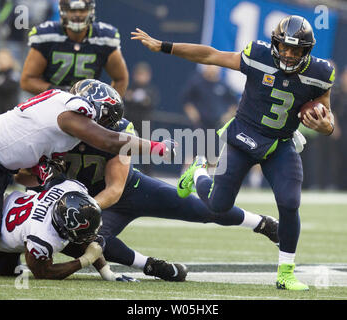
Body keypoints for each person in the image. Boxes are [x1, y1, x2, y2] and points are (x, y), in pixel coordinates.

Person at [131, 15, 336, 291]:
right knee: (218, 206)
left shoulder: (320, 73)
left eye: (295, 50)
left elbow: (327, 117)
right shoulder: (258, 55)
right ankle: (199, 172)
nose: (288, 54)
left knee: (290, 202)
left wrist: (326, 125)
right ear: (275, 44)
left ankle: (286, 272)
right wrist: (164, 46)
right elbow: (211, 55)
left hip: (279, 143)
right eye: (284, 47)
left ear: (306, 51)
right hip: (243, 136)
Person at [53, 84, 279, 282]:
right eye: (101, 119)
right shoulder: (55, 128)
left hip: (130, 190)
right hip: (87, 200)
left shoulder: (120, 129)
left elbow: (115, 188)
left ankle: (262, 223)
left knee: (198, 208)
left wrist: (85, 209)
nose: (105, 125)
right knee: (80, 238)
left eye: (108, 120)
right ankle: (152, 266)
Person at [0, 79, 176, 239]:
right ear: (94, 105)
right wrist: (159, 148)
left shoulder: (57, 105)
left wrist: (44, 173)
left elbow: (22, 176)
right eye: (106, 119)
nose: (106, 125)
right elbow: (109, 141)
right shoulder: (72, 111)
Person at [0, 178, 122, 281]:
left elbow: (81, 231)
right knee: (7, 273)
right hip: (3, 233)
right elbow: (43, 273)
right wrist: (85, 260)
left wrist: (106, 272)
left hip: (9, 205)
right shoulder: (42, 237)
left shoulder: (71, 188)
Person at [20, 0, 129, 97]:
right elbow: (27, 81)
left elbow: (120, 79)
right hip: (51, 101)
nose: (77, 15)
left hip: (88, 105)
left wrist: (108, 105)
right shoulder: (46, 36)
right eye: (72, 10)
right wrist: (60, 92)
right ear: (63, 12)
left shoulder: (105, 37)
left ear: (90, 11)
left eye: (82, 10)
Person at [124, 62, 160, 175]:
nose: (141, 77)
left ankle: (148, 174)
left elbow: (152, 102)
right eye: (139, 74)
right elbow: (124, 101)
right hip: (130, 122)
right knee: (126, 147)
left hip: (145, 123)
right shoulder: (129, 88)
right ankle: (125, 171)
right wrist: (129, 97)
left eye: (143, 75)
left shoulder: (151, 89)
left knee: (147, 149)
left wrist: (144, 100)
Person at [0, 48, 20, 114]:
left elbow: (8, 87)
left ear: (10, 60)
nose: (2, 61)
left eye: (4, 58)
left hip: (9, 111)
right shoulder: (1, 73)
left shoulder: (14, 73)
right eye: (0, 58)